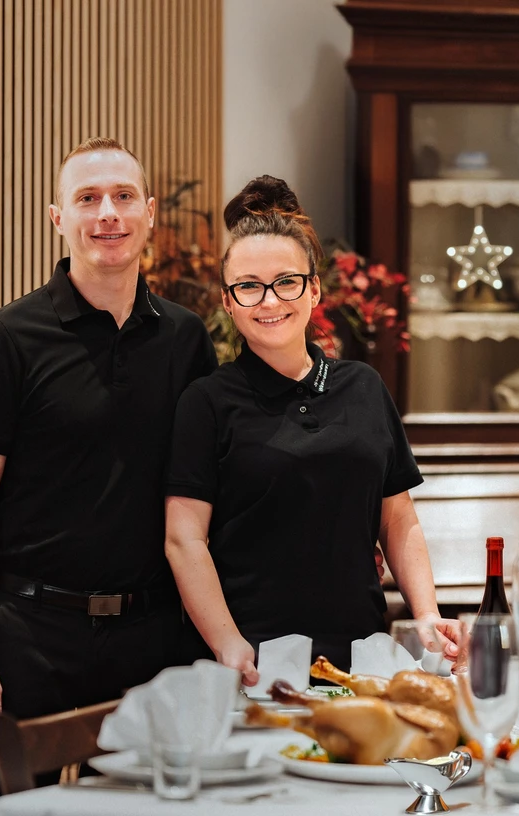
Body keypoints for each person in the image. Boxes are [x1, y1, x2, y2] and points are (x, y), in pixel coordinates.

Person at [0, 137, 218, 814]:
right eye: (88, 198)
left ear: (150, 213)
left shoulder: (186, 339)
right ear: (58, 217)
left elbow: (209, 489)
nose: (109, 213)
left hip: (152, 638)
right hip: (29, 637)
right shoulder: (9, 338)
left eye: (123, 196)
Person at [165, 176, 456, 682]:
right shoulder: (207, 402)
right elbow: (184, 539)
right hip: (255, 665)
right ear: (229, 302)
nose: (269, 301)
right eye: (249, 287)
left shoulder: (363, 387)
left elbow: (397, 518)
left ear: (314, 288)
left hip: (364, 658)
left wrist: (427, 613)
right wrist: (229, 644)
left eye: (286, 281)